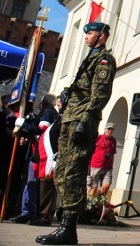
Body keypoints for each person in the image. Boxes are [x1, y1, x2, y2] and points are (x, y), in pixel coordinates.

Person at [36, 21, 116, 245]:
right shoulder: (90, 59)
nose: (86, 37)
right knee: (62, 171)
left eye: (89, 33)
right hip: (71, 119)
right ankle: (64, 223)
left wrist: (86, 120)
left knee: (73, 172)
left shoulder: (104, 59)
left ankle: (68, 229)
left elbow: (100, 94)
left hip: (82, 121)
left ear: (101, 36)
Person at [13, 94, 59, 224]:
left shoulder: (47, 112)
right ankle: (32, 212)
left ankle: (30, 212)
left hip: (42, 154)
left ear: (42, 103)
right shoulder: (53, 113)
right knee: (37, 184)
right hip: (43, 153)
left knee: (33, 183)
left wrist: (22, 123)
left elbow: (41, 130)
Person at [87, 123, 117, 197]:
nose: (109, 131)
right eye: (108, 129)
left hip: (108, 168)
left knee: (106, 187)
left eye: (111, 129)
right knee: (93, 188)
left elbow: (113, 154)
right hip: (95, 165)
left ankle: (98, 203)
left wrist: (111, 166)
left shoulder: (113, 141)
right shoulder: (98, 137)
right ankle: (90, 205)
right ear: (105, 129)